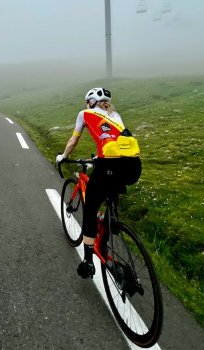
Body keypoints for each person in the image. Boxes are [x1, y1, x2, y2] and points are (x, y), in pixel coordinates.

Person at [56, 87, 141, 279]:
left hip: (108, 166)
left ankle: (87, 261)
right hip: (133, 166)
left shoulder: (84, 113)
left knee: (90, 210)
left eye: (88, 102)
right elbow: (118, 142)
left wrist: (63, 157)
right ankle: (112, 221)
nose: (87, 105)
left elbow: (73, 140)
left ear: (92, 101)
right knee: (111, 186)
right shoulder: (116, 115)